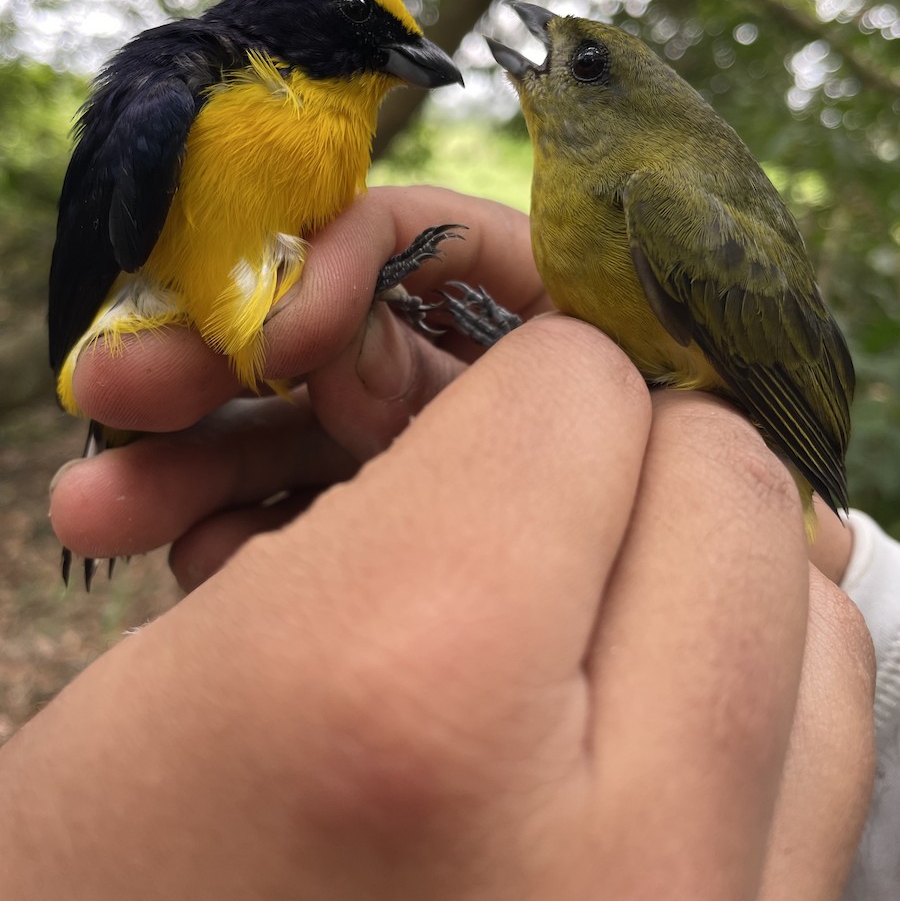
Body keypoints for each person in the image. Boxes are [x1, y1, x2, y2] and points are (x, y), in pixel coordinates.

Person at [0, 185, 888, 900]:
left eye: (582, 61)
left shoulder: (662, 203)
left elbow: (723, 387)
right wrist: (841, 584)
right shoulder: (584, 209)